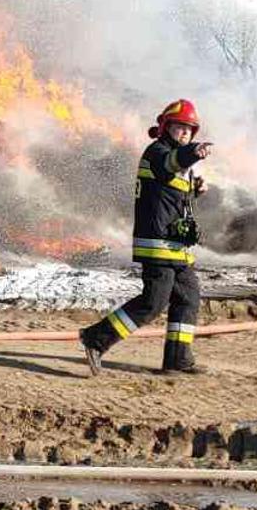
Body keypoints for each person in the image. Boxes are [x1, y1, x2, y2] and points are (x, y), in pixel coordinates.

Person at [79, 99, 213, 376]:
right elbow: (170, 164)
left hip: (177, 247)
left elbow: (170, 196)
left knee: (188, 298)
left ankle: (178, 359)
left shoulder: (180, 163)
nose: (185, 133)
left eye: (189, 129)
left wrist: (195, 189)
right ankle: (96, 338)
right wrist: (193, 154)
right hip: (158, 244)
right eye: (179, 127)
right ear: (165, 127)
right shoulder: (158, 152)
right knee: (153, 303)